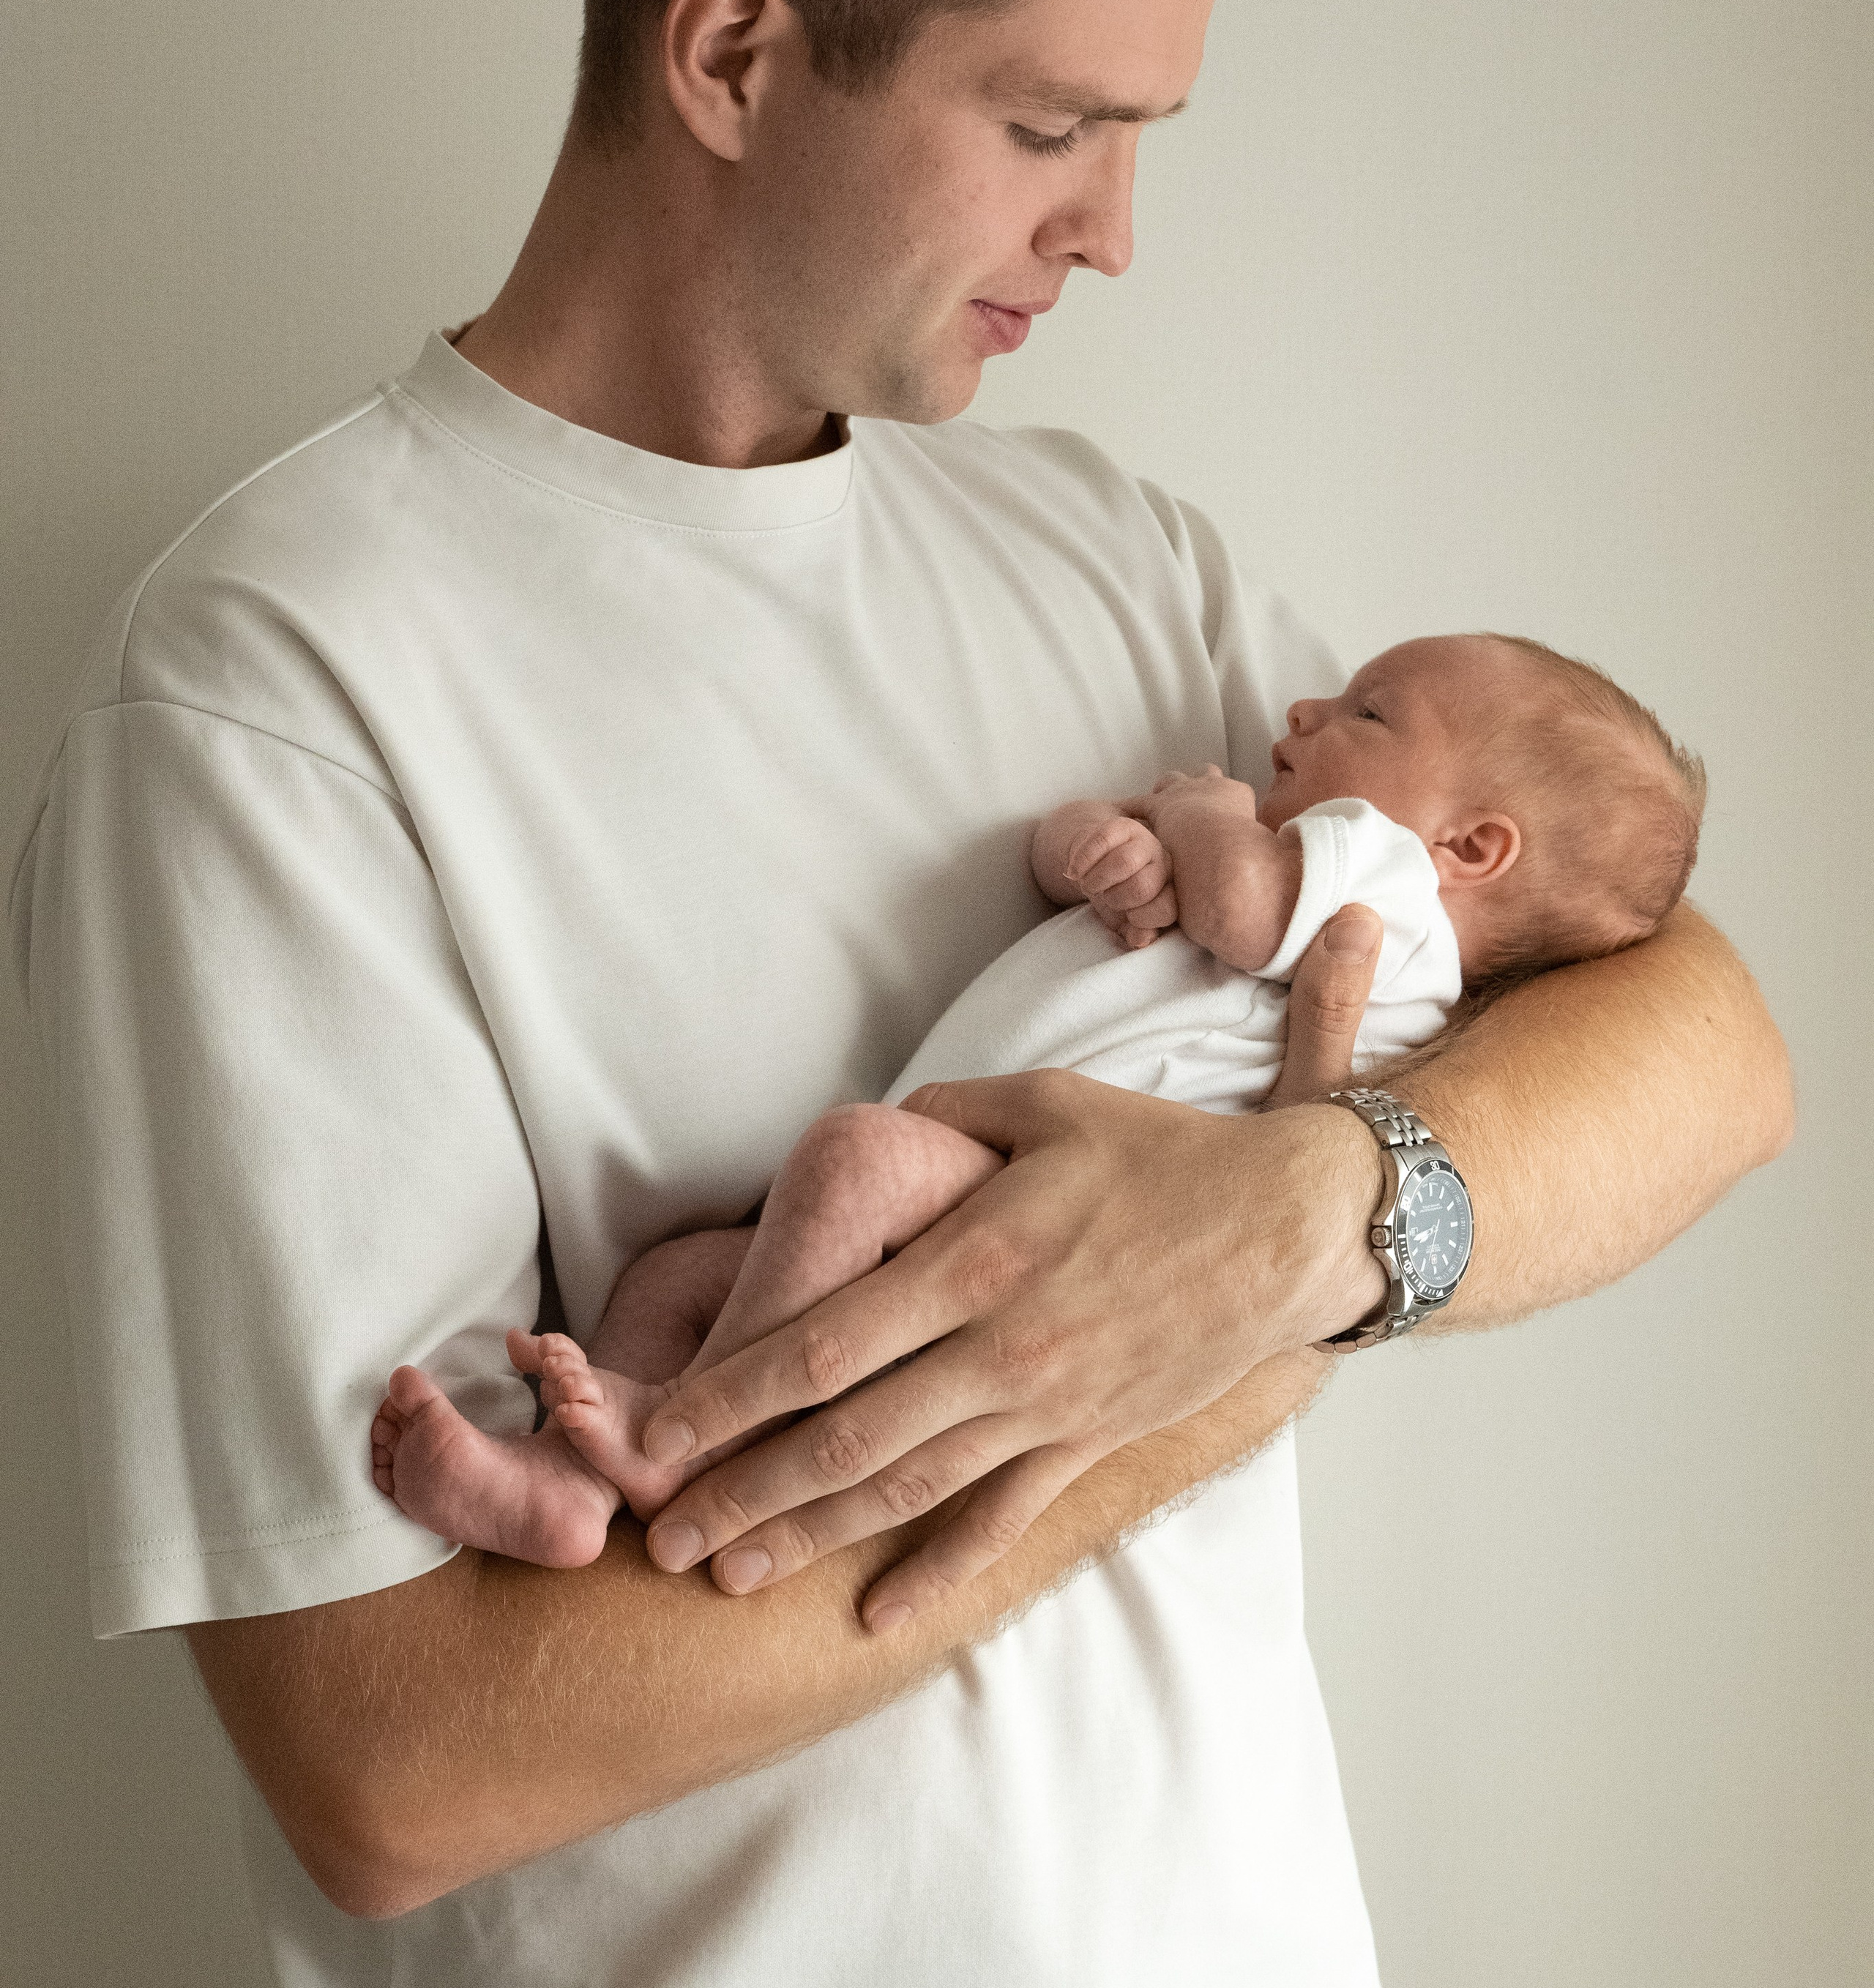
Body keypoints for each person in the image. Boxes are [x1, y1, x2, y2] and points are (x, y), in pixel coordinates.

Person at [10, 0, 1789, 1988]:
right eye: (1050, 126)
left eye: (1140, 139)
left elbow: (1704, 1040)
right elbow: (399, 1763)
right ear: (735, 49)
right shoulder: (278, 693)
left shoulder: (1118, 562)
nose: (1115, 232)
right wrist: (1170, 1353)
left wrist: (1311, 1224)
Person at [369, 630, 1707, 1566]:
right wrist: (1099, 847)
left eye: (1369, 714)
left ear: (1474, 846)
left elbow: (1241, 913)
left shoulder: (1385, 886)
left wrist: (1199, 816)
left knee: (850, 1160)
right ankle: (568, 1485)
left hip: (1039, 1219)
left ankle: (677, 1434)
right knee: (677, 1276)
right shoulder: (1304, 859)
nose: (1305, 711)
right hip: (986, 1213)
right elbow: (1069, 855)